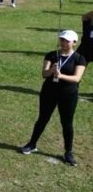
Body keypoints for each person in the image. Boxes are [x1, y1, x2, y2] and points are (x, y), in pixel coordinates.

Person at [19, 31, 86, 167]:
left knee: (67, 123)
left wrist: (61, 76)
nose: (63, 43)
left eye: (67, 41)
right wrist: (51, 71)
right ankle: (32, 144)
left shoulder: (79, 58)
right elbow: (44, 74)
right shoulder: (51, 55)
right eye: (62, 40)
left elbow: (76, 78)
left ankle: (68, 152)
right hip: (49, 93)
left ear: (74, 42)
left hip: (68, 95)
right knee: (42, 118)